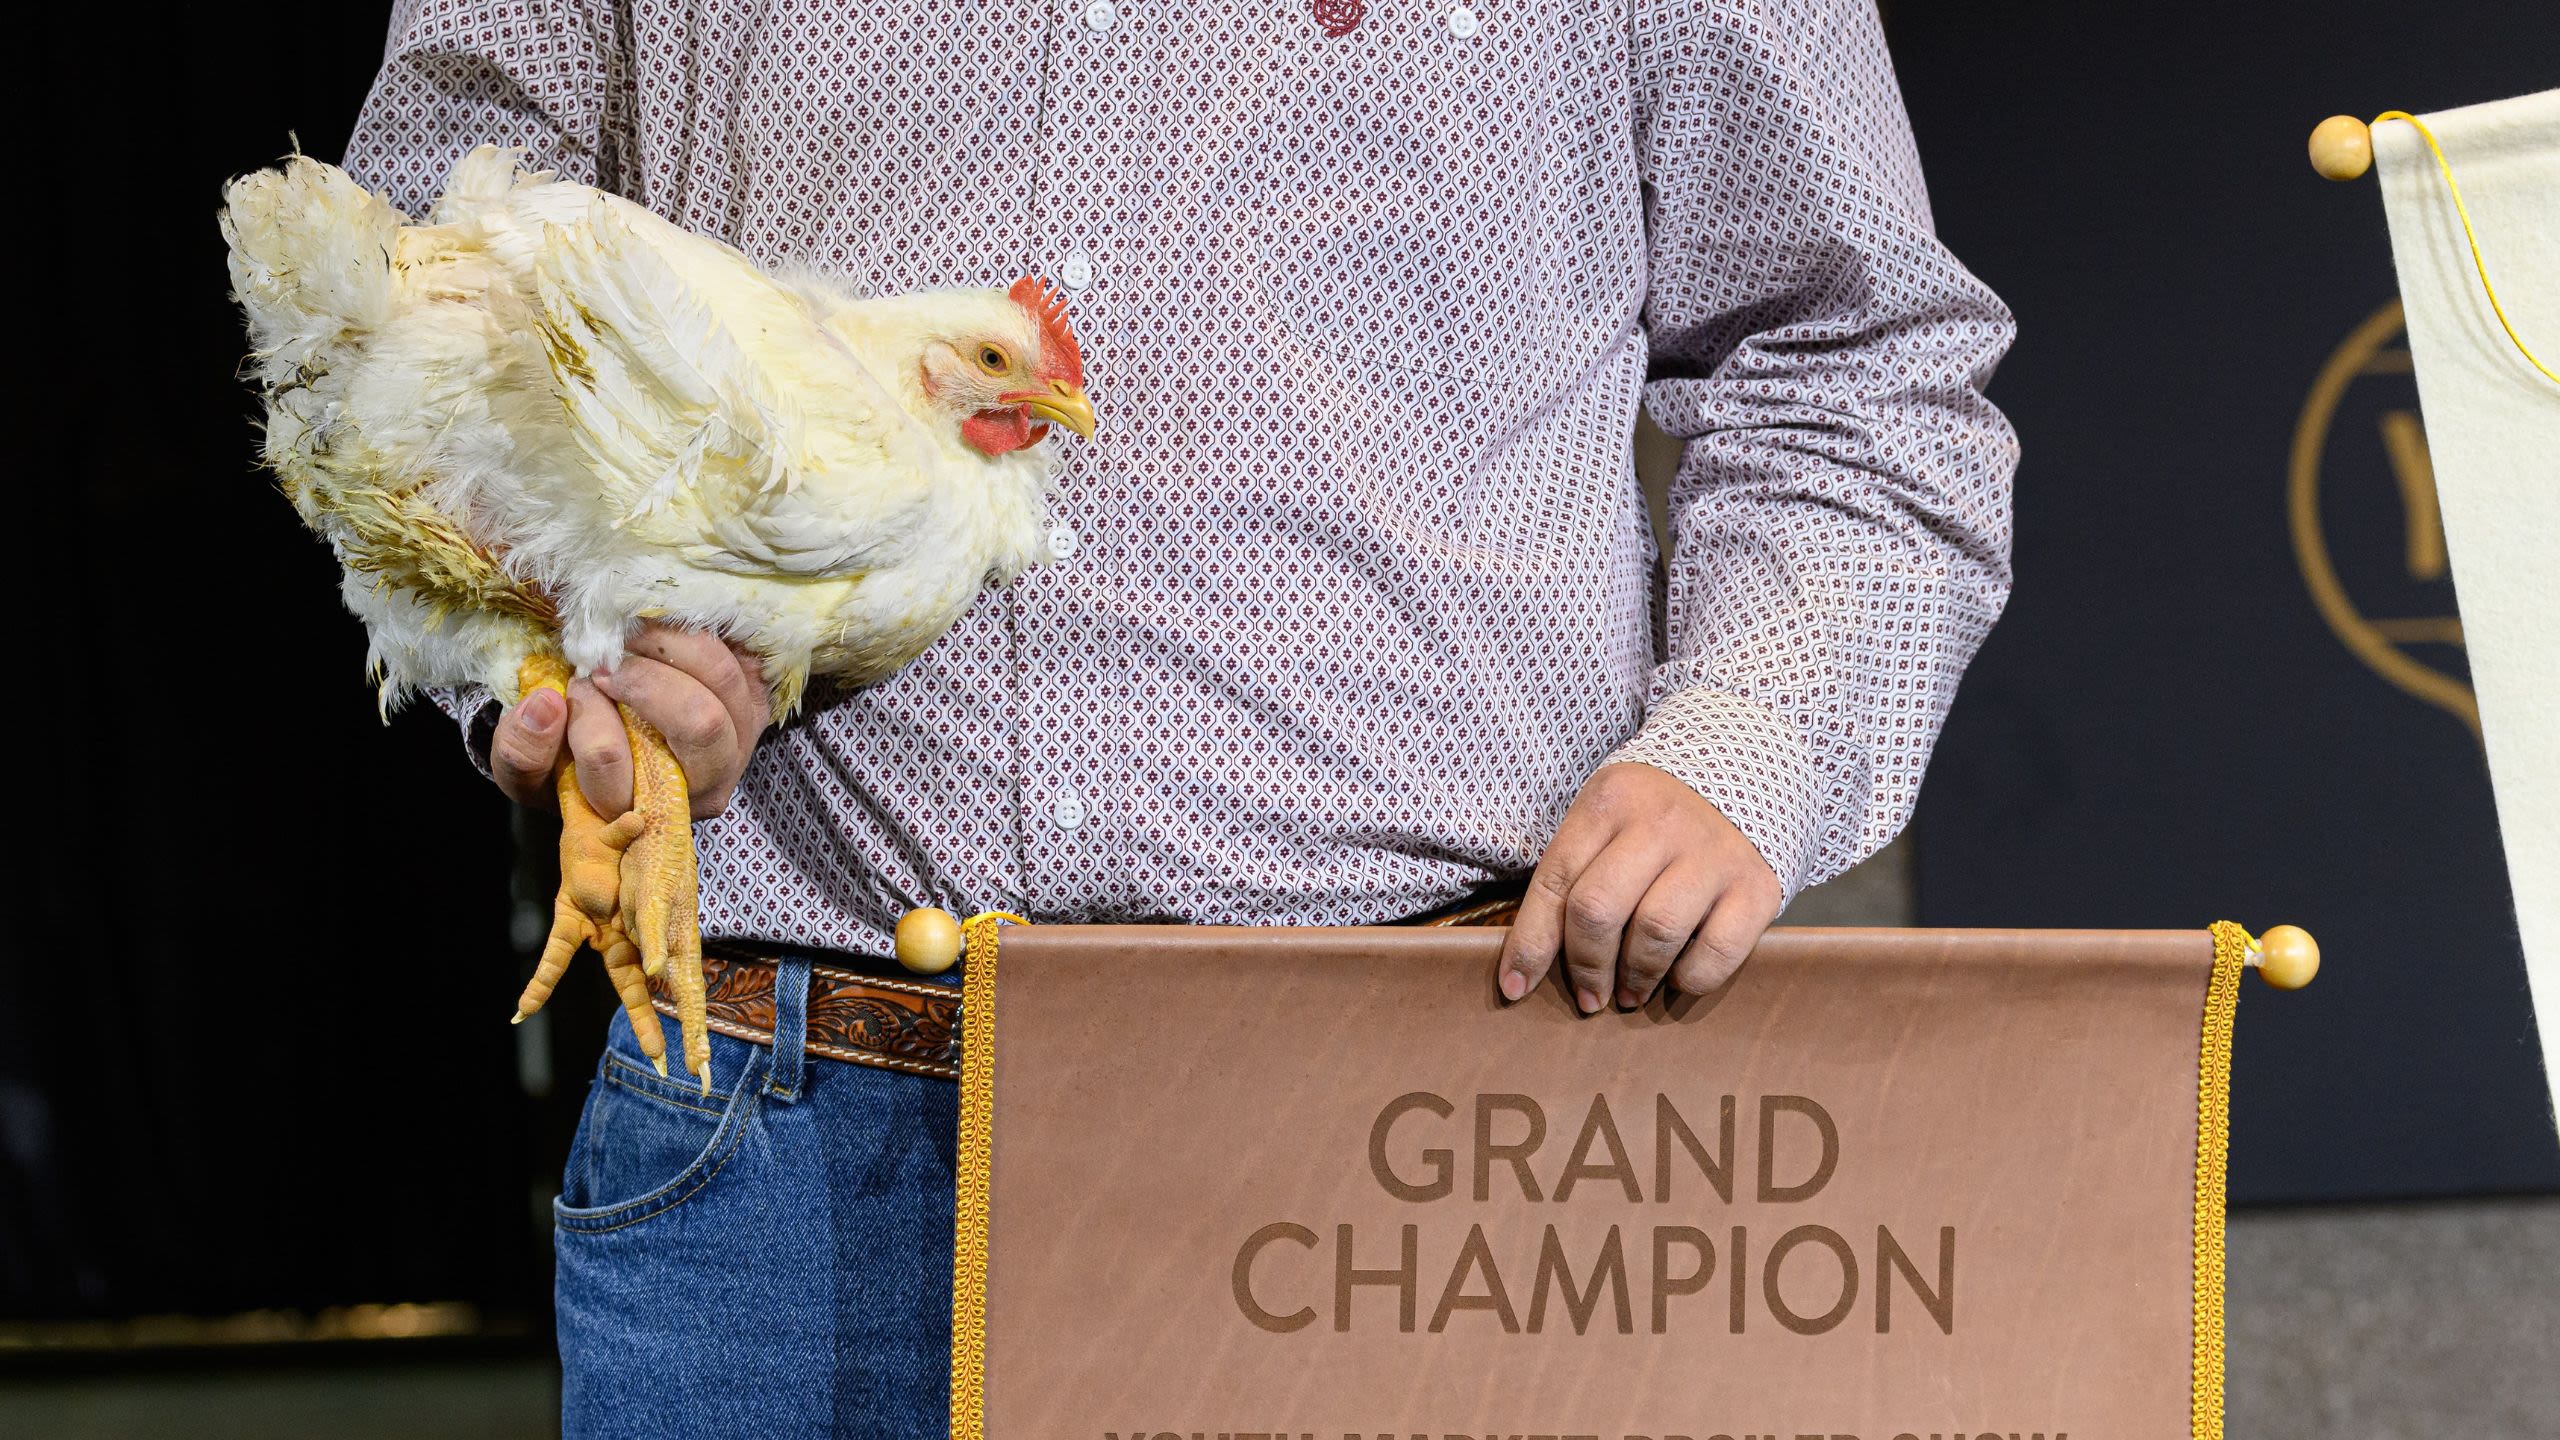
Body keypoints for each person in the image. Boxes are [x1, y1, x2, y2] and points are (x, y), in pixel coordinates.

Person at [343, 0, 2015, 1432]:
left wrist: (1745, 749)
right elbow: (419, 287)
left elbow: (1855, 362)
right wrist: (563, 647)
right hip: (783, 1146)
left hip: (1435, 1134)